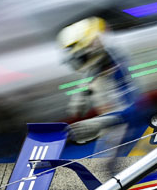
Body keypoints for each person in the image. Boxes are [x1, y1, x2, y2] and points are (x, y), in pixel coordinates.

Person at [56, 17, 139, 153]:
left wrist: (100, 122)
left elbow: (134, 109)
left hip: (127, 128)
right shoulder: (98, 64)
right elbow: (90, 75)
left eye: (81, 56)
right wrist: (82, 93)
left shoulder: (119, 70)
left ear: (94, 46)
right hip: (110, 125)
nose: (79, 61)